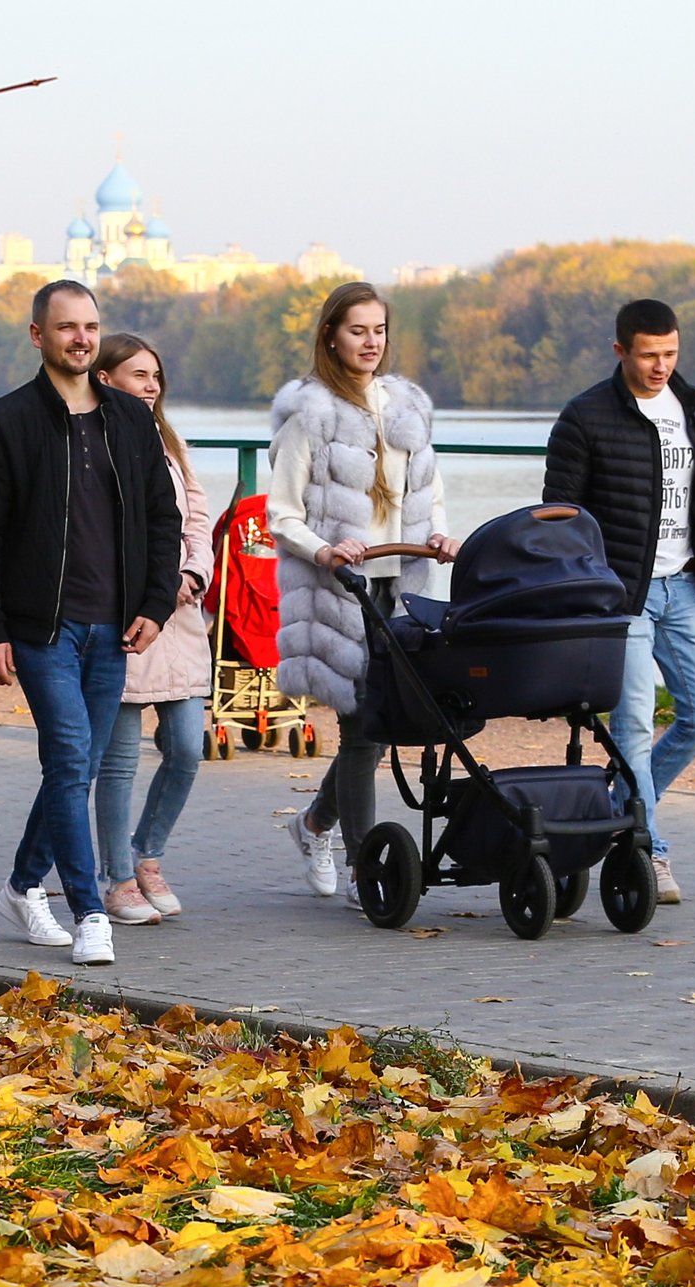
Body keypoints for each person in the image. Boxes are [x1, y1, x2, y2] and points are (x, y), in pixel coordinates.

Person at [0, 281, 181, 969]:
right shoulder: (8, 422)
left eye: (90, 326)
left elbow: (162, 519)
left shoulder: (130, 419)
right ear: (38, 336)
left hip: (113, 626)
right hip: (41, 629)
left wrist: (155, 601)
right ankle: (88, 910)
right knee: (70, 756)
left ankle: (23, 885)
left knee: (71, 766)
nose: (80, 338)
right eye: (65, 327)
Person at [541, 297, 695, 907]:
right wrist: (581, 597)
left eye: (671, 353)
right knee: (631, 724)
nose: (662, 366)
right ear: (621, 351)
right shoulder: (584, 418)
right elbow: (558, 519)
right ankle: (648, 850)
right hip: (618, 597)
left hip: (684, 587)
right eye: (650, 355)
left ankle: (612, 812)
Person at [272, 282, 456, 899]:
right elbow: (282, 514)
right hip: (338, 592)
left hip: (395, 587)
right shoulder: (312, 415)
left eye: (378, 330)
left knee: (377, 730)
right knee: (362, 732)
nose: (370, 342)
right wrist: (324, 550)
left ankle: (315, 822)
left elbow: (429, 489)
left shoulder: (404, 405)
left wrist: (438, 535)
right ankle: (364, 867)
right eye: (357, 330)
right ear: (331, 334)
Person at [88, 332, 212, 925]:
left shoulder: (169, 439)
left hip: (181, 617)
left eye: (156, 376)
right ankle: (115, 877)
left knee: (188, 746)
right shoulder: (91, 438)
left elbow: (196, 512)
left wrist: (193, 570)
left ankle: (147, 853)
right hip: (126, 616)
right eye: (140, 375)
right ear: (106, 378)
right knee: (118, 760)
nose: (152, 386)